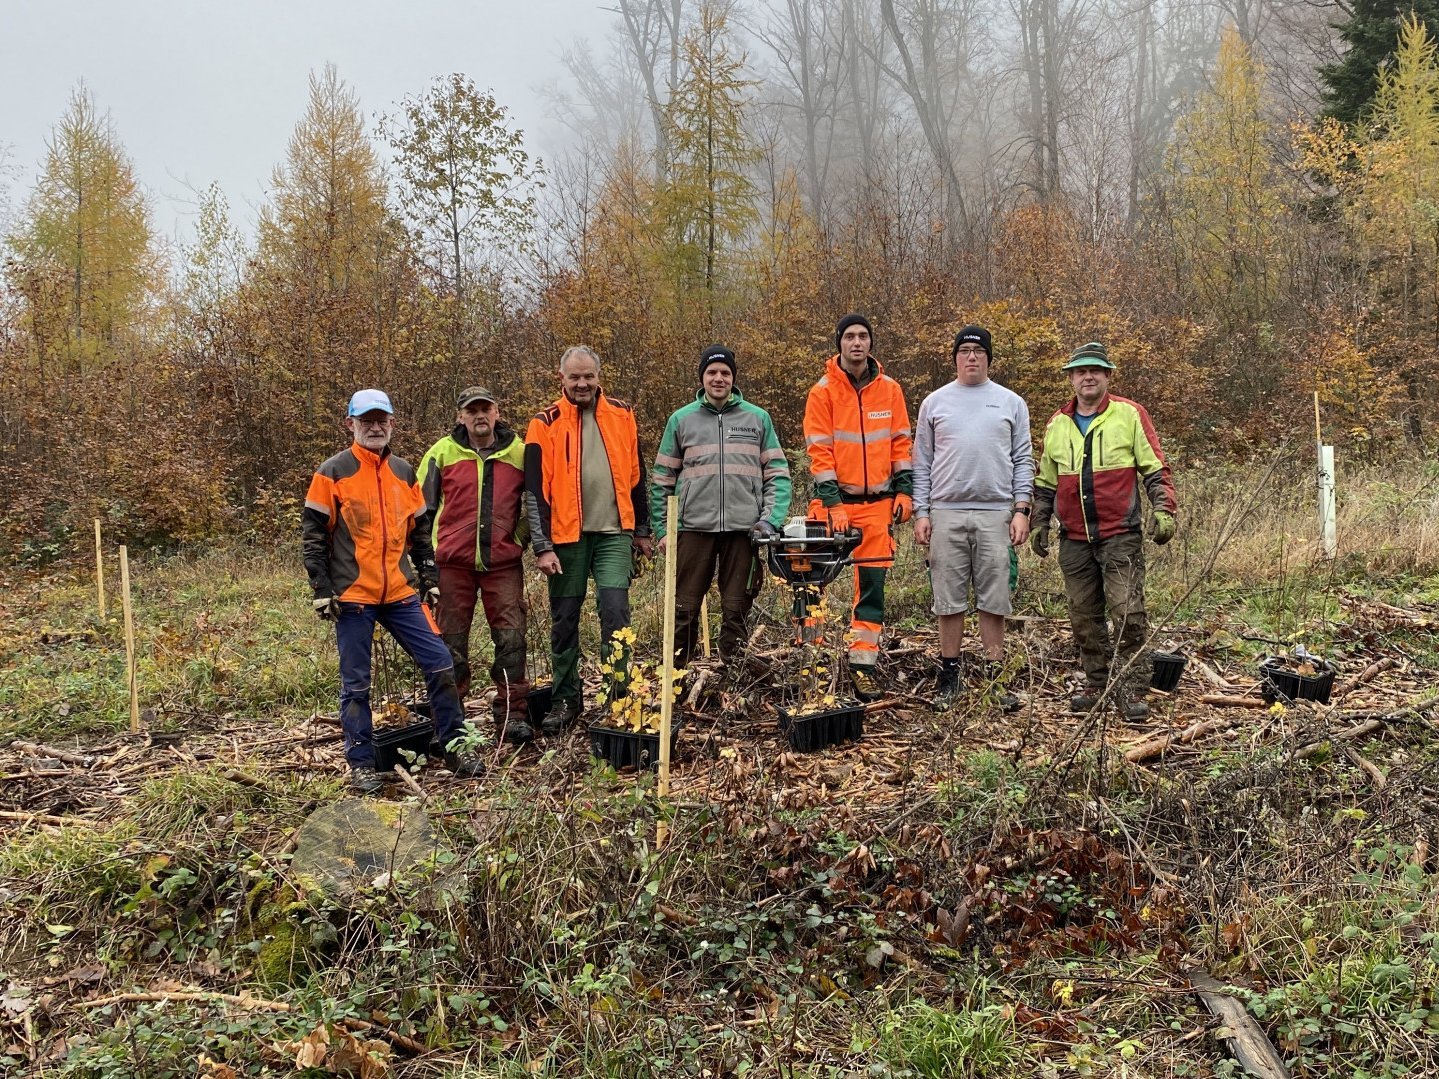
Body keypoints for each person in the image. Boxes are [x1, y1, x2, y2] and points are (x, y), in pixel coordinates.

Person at [301, 388, 484, 794]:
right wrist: (321, 588)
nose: (375, 427)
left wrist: (429, 578)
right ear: (350, 424)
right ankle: (362, 762)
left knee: (440, 663)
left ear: (392, 424)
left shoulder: (404, 472)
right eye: (366, 420)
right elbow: (313, 536)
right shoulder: (332, 472)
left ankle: (454, 744)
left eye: (381, 419)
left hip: (401, 592)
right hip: (353, 597)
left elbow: (419, 534)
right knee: (356, 683)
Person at [1029, 342, 1177, 720]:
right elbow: (1046, 481)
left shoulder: (1129, 415)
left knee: (1128, 612)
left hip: (1120, 534)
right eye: (1080, 372)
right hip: (1074, 539)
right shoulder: (1057, 423)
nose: (1088, 377)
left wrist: (1164, 510)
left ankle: (1130, 690)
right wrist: (1039, 522)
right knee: (1083, 616)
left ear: (1108, 375)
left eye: (1095, 370)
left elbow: (1155, 468)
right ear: (1071, 378)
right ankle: (1096, 683)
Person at [525, 346, 654, 735]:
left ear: (599, 376)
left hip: (615, 533)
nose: (582, 384)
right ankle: (566, 698)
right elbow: (534, 489)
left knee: (615, 612)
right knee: (565, 620)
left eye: (588, 376)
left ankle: (619, 696)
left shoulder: (622, 413)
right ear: (561, 378)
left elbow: (637, 475)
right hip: (565, 538)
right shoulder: (543, 423)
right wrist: (541, 544)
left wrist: (643, 530)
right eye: (574, 377)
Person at [650, 344, 792, 669]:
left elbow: (779, 477)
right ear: (702, 378)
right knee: (684, 607)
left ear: (733, 378)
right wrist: (662, 530)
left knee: (736, 605)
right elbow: (662, 480)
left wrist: (769, 520)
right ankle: (677, 674)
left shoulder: (757, 419)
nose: (718, 378)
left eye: (725, 372)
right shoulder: (680, 420)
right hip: (692, 530)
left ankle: (735, 674)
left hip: (744, 532)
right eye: (712, 372)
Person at [913, 326, 1033, 712]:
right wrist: (921, 512)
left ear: (988, 358)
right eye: (963, 351)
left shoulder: (1011, 402)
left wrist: (1021, 510)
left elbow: (1023, 459)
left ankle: (995, 680)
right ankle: (949, 676)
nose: (971, 357)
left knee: (993, 597)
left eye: (978, 352)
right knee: (948, 598)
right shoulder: (935, 403)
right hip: (946, 510)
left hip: (996, 512)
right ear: (954, 358)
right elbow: (921, 463)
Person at [802, 313, 914, 700]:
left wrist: (904, 491)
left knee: (872, 587)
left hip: (877, 506)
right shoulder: (823, 392)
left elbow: (901, 444)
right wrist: (832, 503)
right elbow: (820, 450)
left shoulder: (890, 390)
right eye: (849, 336)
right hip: (834, 504)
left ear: (871, 343)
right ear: (839, 343)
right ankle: (811, 665)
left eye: (863, 336)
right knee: (812, 584)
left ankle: (862, 664)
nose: (857, 343)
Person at [418, 385, 533, 745]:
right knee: (449, 643)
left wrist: (518, 539)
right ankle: (449, 720)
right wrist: (425, 560)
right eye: (472, 410)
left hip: (503, 564)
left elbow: (534, 504)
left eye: (486, 409)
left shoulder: (519, 452)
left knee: (512, 638)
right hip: (451, 565)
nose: (480, 416)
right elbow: (421, 510)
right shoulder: (441, 453)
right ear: (460, 416)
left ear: (497, 412)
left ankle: (513, 713)